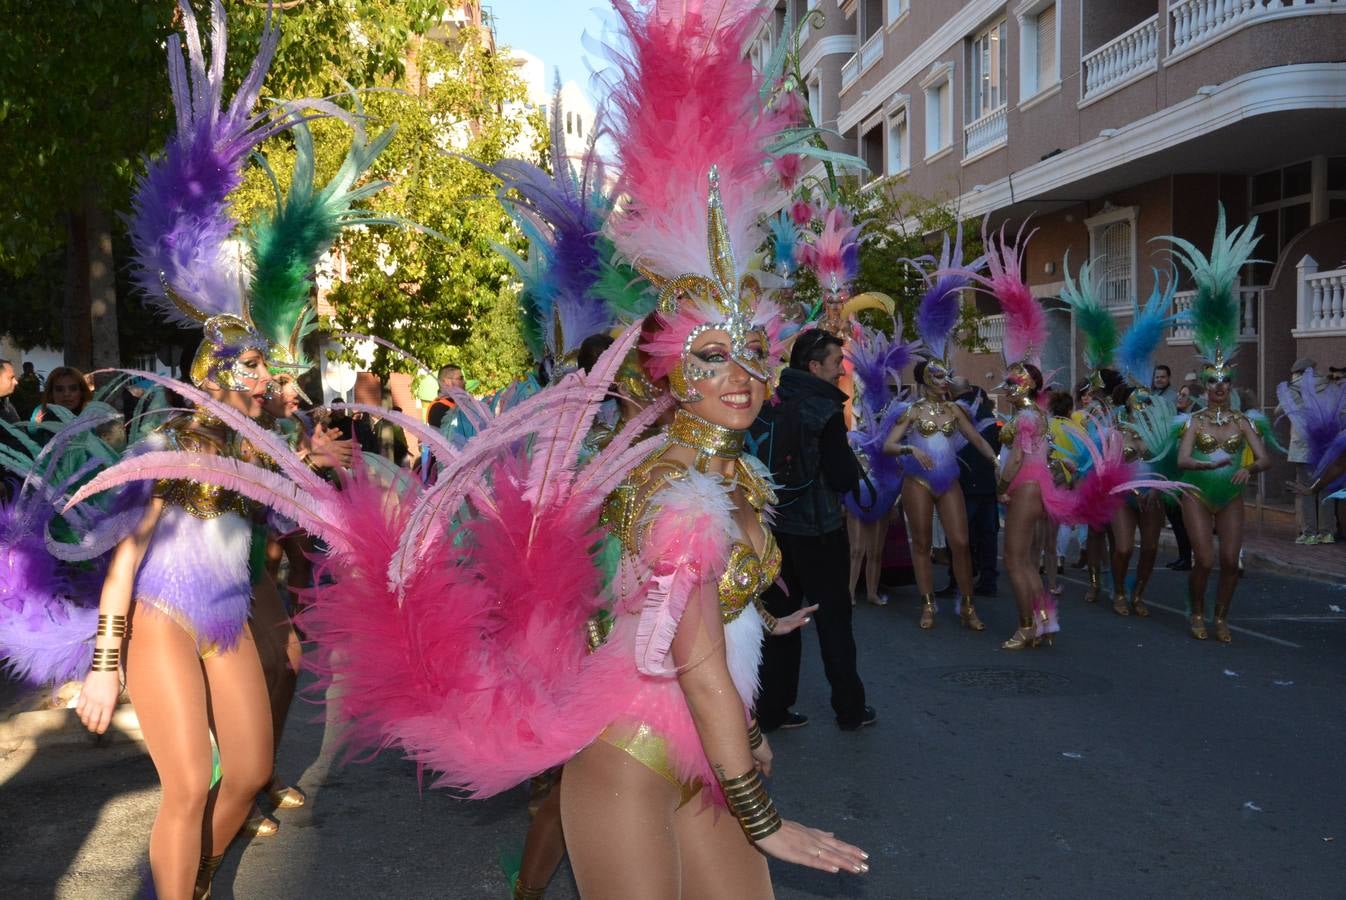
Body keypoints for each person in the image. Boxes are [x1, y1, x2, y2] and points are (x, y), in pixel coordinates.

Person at [755, 328, 876, 732]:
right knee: (833, 622)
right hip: (820, 533)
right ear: (813, 366)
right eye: (835, 361)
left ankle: (772, 710)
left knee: (780, 621)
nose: (841, 368)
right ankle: (850, 709)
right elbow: (842, 477)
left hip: (776, 530)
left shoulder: (771, 404)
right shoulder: (824, 410)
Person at [1168, 209, 1272, 643]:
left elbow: (1264, 456)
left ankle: (1222, 616)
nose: (1218, 388)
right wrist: (1208, 467)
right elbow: (1182, 459)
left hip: (1230, 495)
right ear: (1203, 386)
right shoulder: (1192, 420)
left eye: (1224, 382)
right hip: (1197, 493)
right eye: (1211, 383)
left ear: (1231, 386)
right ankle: (1196, 612)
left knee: (1230, 561)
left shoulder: (1243, 420)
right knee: (1204, 561)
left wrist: (1251, 468)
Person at [1283, 357, 1333, 544]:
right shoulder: (1328, 386)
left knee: (1306, 491)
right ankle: (1327, 532)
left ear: (1298, 373)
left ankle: (1310, 533)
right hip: (1327, 446)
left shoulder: (1294, 388)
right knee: (1325, 488)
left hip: (1303, 448)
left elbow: (1279, 410)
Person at [426, 363, 464, 431]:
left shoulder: (456, 404)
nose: (465, 382)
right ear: (446, 382)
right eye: (460, 378)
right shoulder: (439, 408)